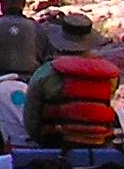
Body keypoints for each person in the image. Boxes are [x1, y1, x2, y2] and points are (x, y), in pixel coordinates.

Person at [21, 11, 118, 143]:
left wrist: (39, 140)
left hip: (56, 144)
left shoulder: (46, 72)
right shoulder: (110, 76)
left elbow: (31, 119)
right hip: (100, 143)